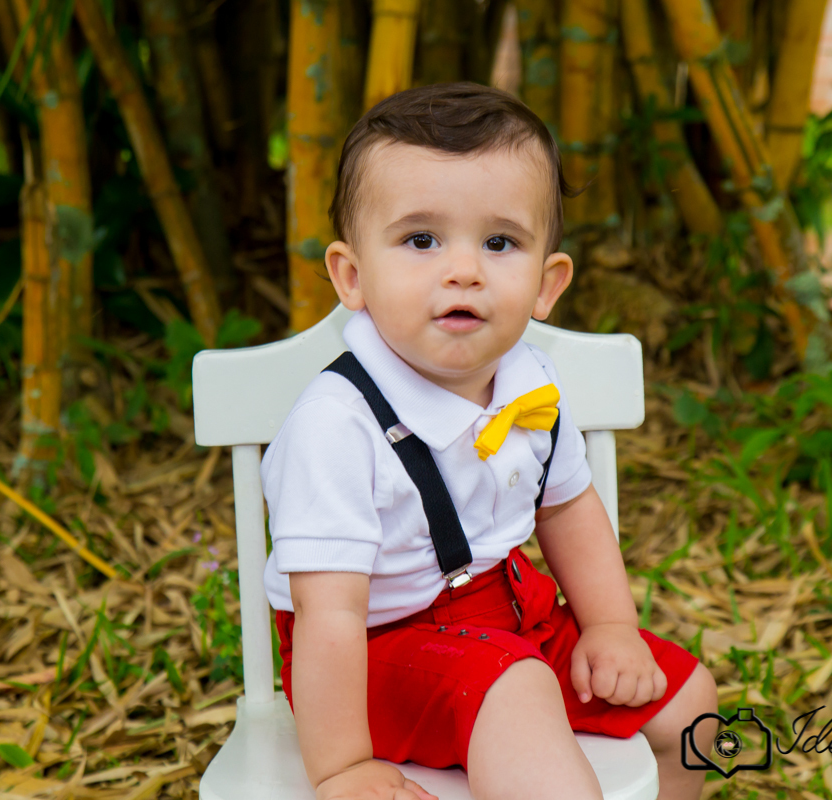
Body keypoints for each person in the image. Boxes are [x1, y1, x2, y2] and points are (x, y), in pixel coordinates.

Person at [261, 81, 719, 800]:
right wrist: (343, 764)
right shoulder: (336, 425)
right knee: (519, 694)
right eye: (421, 240)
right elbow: (330, 614)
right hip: (375, 655)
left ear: (546, 283)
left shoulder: (531, 384)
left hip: (507, 612)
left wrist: (608, 626)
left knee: (688, 701)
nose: (464, 269)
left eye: (500, 242)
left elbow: (568, 509)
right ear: (352, 276)